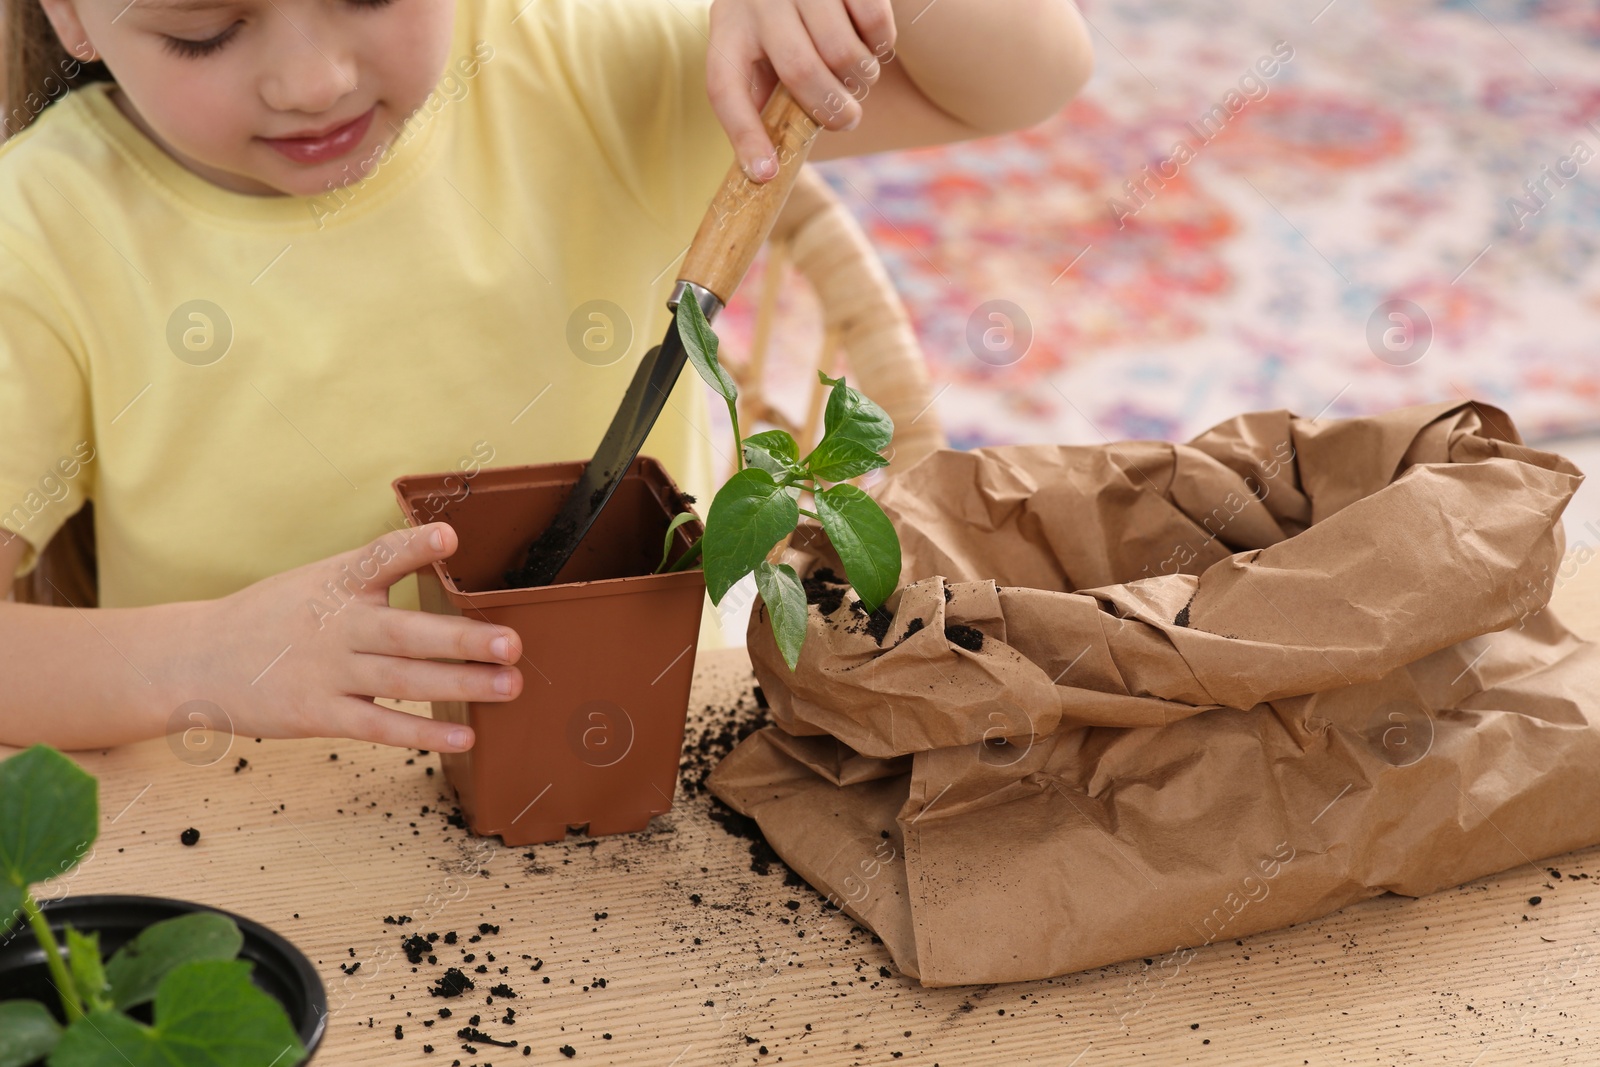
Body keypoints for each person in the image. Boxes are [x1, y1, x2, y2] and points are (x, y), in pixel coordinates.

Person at [0, 0, 1092, 752]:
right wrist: (201, 656)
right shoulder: (44, 233)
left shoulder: (573, 49)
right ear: (71, 14)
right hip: (255, 859)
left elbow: (1032, 71)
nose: (311, 78)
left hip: (650, 782)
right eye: (206, 29)